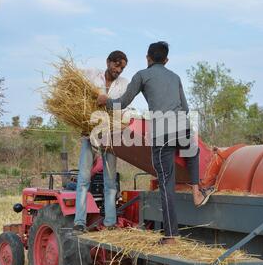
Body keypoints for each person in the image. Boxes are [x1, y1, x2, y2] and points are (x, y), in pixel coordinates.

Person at [97, 42, 213, 244]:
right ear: (166, 60)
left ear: (147, 58)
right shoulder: (175, 77)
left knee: (166, 184)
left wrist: (105, 101)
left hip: (162, 132)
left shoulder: (142, 75)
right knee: (191, 150)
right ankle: (196, 191)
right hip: (182, 126)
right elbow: (185, 108)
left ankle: (170, 236)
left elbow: (122, 103)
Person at [73, 50, 129, 234]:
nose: (118, 70)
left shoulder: (124, 84)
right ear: (108, 62)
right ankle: (79, 222)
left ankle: (110, 222)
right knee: (83, 179)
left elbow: (124, 105)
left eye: (122, 67)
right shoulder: (91, 74)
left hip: (110, 135)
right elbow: (76, 87)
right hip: (89, 133)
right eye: (116, 65)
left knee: (110, 181)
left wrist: (108, 100)